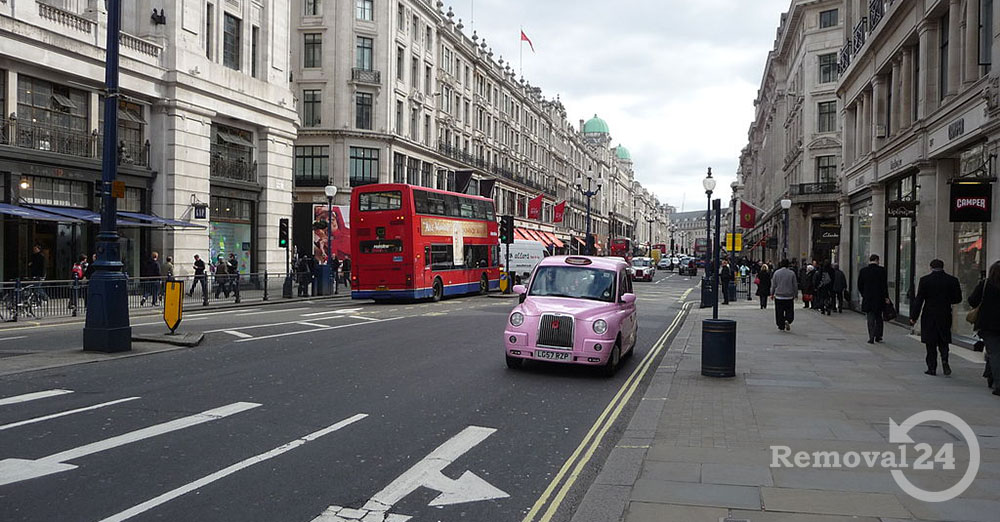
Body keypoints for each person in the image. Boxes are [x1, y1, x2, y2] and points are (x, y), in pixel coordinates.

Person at [909, 259, 963, 376]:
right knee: (943, 339)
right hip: (944, 313)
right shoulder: (952, 280)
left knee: (930, 342)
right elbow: (958, 299)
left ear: (931, 267)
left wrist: (914, 317)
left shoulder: (925, 280)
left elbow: (919, 300)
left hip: (929, 314)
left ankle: (932, 367)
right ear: (943, 267)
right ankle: (944, 359)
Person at [969, 261, 1000, 395]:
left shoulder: (985, 284)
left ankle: (997, 383)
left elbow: (972, 300)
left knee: (994, 353)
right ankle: (991, 375)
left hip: (988, 325)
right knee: (995, 353)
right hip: (992, 325)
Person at [858, 254, 890, 344]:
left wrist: (864, 294)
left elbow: (860, 284)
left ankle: (871, 336)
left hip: (868, 298)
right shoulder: (882, 271)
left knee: (870, 318)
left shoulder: (863, 271)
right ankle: (878, 335)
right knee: (879, 317)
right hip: (879, 298)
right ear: (877, 260)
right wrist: (886, 297)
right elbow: (884, 286)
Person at [771, 259, 798, 331]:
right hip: (789, 296)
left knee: (779, 312)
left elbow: (774, 285)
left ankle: (781, 325)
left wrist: (772, 293)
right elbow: (795, 285)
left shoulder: (776, 273)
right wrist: (796, 294)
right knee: (789, 310)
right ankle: (788, 319)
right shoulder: (792, 273)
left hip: (779, 296)